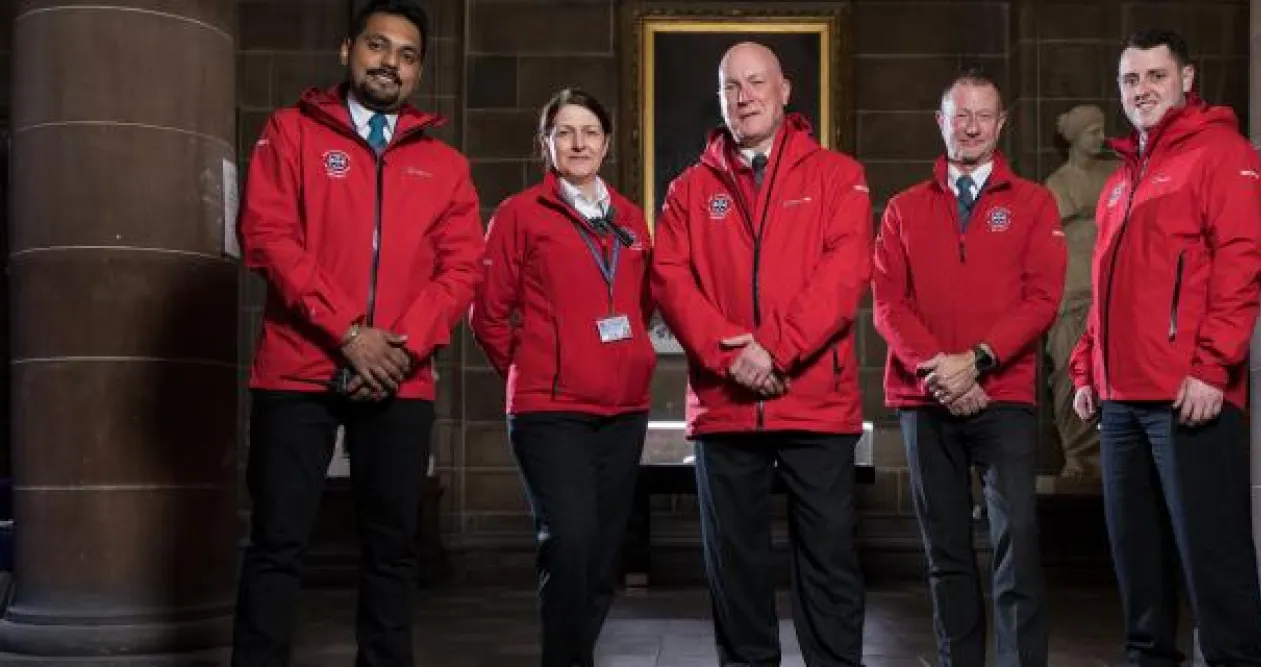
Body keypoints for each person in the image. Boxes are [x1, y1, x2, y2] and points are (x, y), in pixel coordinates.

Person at [231, 1, 484, 665]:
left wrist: (396, 347)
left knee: (393, 549)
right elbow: (267, 236)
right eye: (378, 46)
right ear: (349, 50)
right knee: (278, 543)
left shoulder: (447, 166)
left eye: (406, 55)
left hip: (401, 375)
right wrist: (348, 333)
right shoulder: (290, 133)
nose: (389, 64)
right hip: (296, 368)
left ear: (418, 69)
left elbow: (461, 271)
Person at [650, 41, 872, 667]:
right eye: (731, 87)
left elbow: (843, 273)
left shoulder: (839, 175)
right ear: (720, 98)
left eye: (755, 83)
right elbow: (670, 280)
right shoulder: (689, 189)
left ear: (785, 90)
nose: (743, 97)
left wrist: (773, 349)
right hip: (725, 405)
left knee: (828, 564)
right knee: (736, 569)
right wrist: (733, 359)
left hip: (814, 402)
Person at [1068, 28, 1261, 667]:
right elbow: (1103, 288)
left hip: (1190, 398)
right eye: (1130, 80)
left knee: (1215, 569)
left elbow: (1244, 267)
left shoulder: (1223, 154)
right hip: (1120, 402)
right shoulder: (1121, 181)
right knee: (1140, 577)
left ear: (1187, 79)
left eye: (1155, 76)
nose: (1141, 90)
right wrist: (1085, 368)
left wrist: (1213, 368)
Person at [872, 68, 1066, 667]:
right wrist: (940, 372)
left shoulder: (1035, 204)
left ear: (1001, 123)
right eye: (961, 115)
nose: (973, 126)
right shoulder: (903, 209)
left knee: (1018, 542)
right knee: (946, 549)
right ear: (941, 122)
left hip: (1003, 395)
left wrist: (976, 362)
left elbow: (1042, 299)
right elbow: (886, 303)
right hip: (924, 397)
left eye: (984, 115)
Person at [468, 88, 655, 667]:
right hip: (550, 412)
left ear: (606, 143)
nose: (578, 143)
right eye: (564, 132)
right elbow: (488, 314)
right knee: (570, 543)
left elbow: (641, 305)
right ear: (546, 143)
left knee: (601, 556)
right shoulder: (519, 214)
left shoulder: (629, 217)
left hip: (623, 410)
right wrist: (534, 370)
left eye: (590, 132)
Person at [1043, 105, 1117, 486]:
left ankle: (1112, 456)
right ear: (1073, 137)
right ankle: (1078, 455)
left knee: (1110, 374)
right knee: (1068, 377)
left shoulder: (1114, 173)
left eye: (1101, 130)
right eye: (1091, 131)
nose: (1099, 138)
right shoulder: (1057, 183)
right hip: (1071, 290)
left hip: (1108, 287)